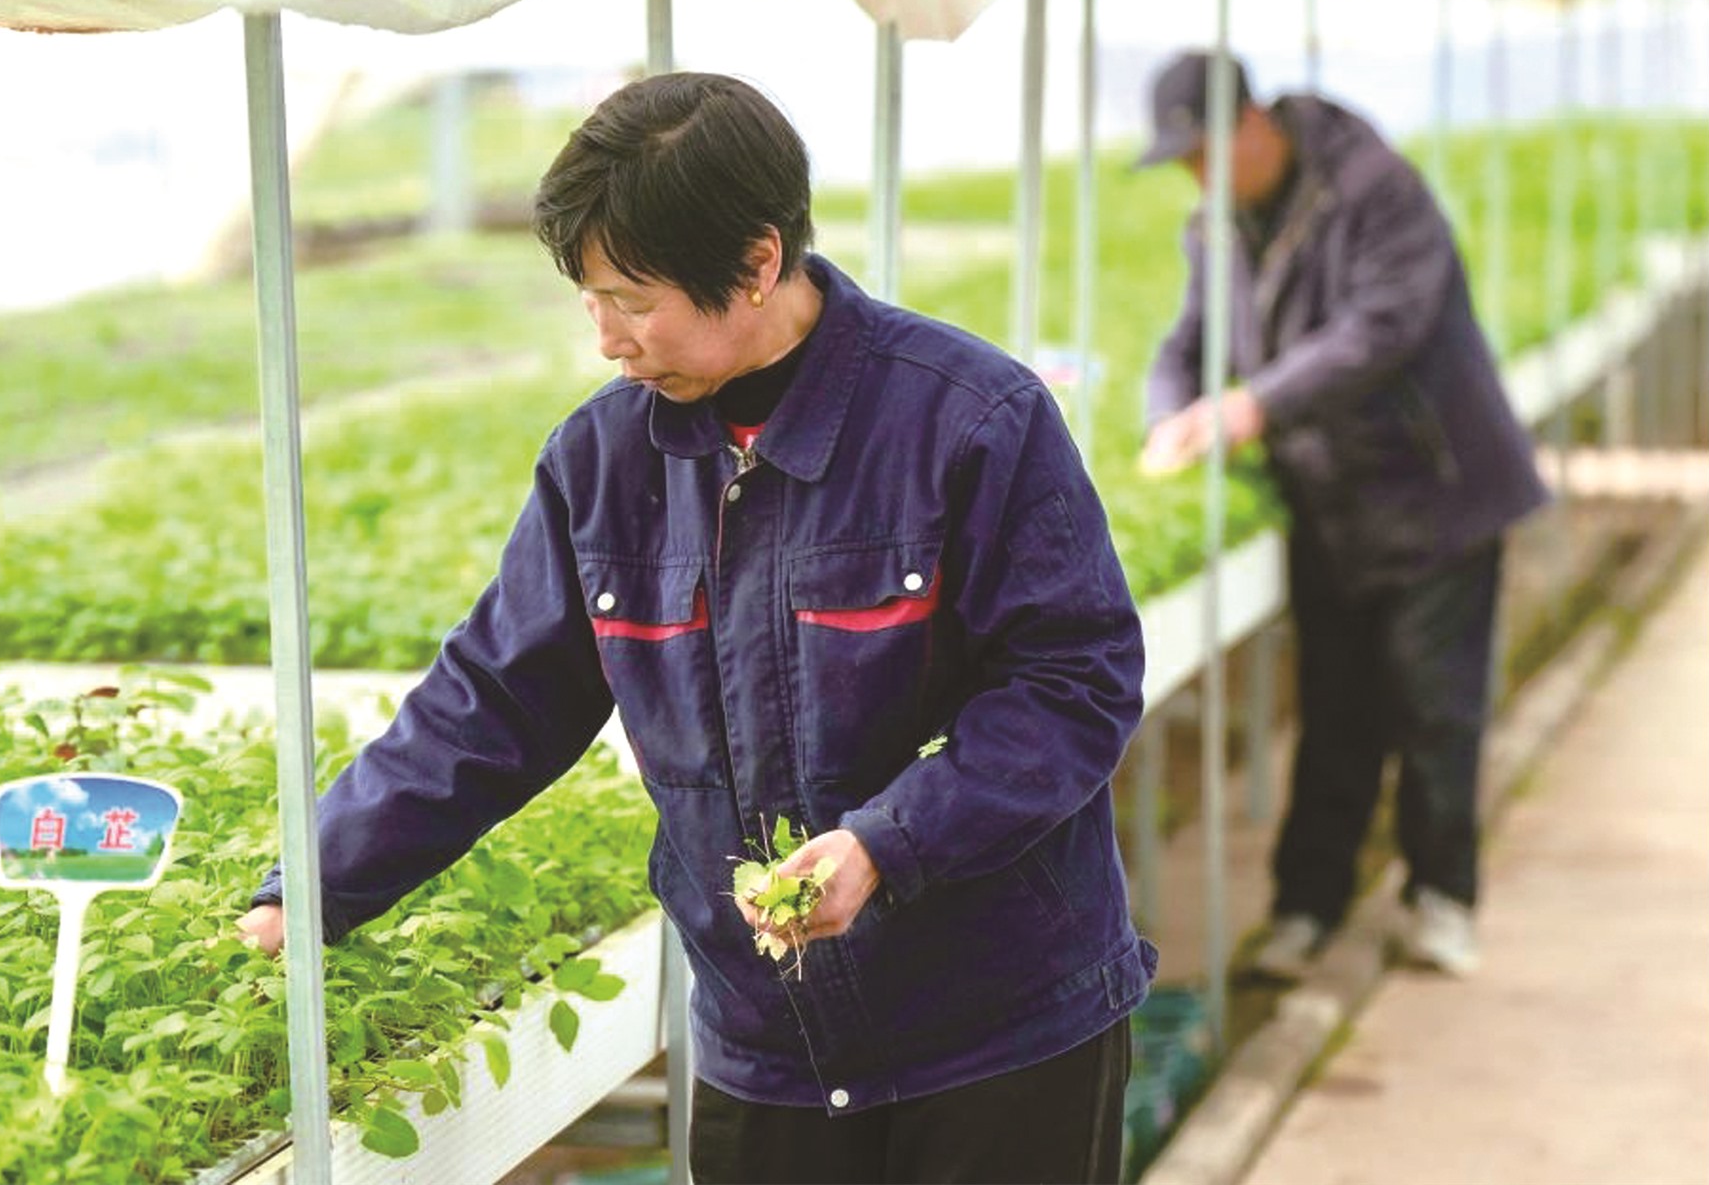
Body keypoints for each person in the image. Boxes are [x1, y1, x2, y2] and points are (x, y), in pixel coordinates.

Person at [239, 72, 1156, 1184]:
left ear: (759, 262)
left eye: (632, 299)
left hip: (997, 1028)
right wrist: (310, 888)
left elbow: (1074, 683)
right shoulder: (601, 464)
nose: (607, 340)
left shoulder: (969, 420)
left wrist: (886, 843)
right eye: (589, 299)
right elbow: (495, 703)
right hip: (766, 1040)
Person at [1135, 50, 1549, 981]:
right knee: (1334, 712)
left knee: (1436, 708)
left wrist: (1253, 406)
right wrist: (1170, 414)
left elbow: (1382, 328)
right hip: (1331, 499)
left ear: (1249, 124)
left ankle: (1442, 900)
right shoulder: (1218, 227)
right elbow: (1187, 341)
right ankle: (1306, 910)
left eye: (1201, 153)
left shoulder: (1374, 188)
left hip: (1436, 490)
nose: (1196, 177)